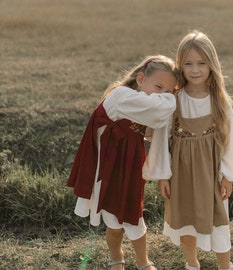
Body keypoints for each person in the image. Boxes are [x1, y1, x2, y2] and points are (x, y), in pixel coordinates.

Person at [147, 30, 233, 270]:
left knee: (218, 222)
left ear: (212, 65)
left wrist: (228, 175)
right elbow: (163, 137)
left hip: (210, 173)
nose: (195, 70)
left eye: (202, 63)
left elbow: (230, 138)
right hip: (180, 172)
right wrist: (162, 174)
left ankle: (225, 266)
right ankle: (192, 265)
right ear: (180, 66)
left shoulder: (218, 100)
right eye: (189, 64)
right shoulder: (175, 100)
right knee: (185, 221)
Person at [67, 55, 178, 270]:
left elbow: (156, 129)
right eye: (158, 86)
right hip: (107, 168)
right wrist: (176, 98)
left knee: (134, 215)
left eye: (169, 91)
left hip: (130, 165)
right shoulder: (122, 96)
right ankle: (116, 258)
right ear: (140, 78)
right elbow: (161, 111)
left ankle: (143, 261)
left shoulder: (145, 105)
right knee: (113, 220)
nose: (163, 95)